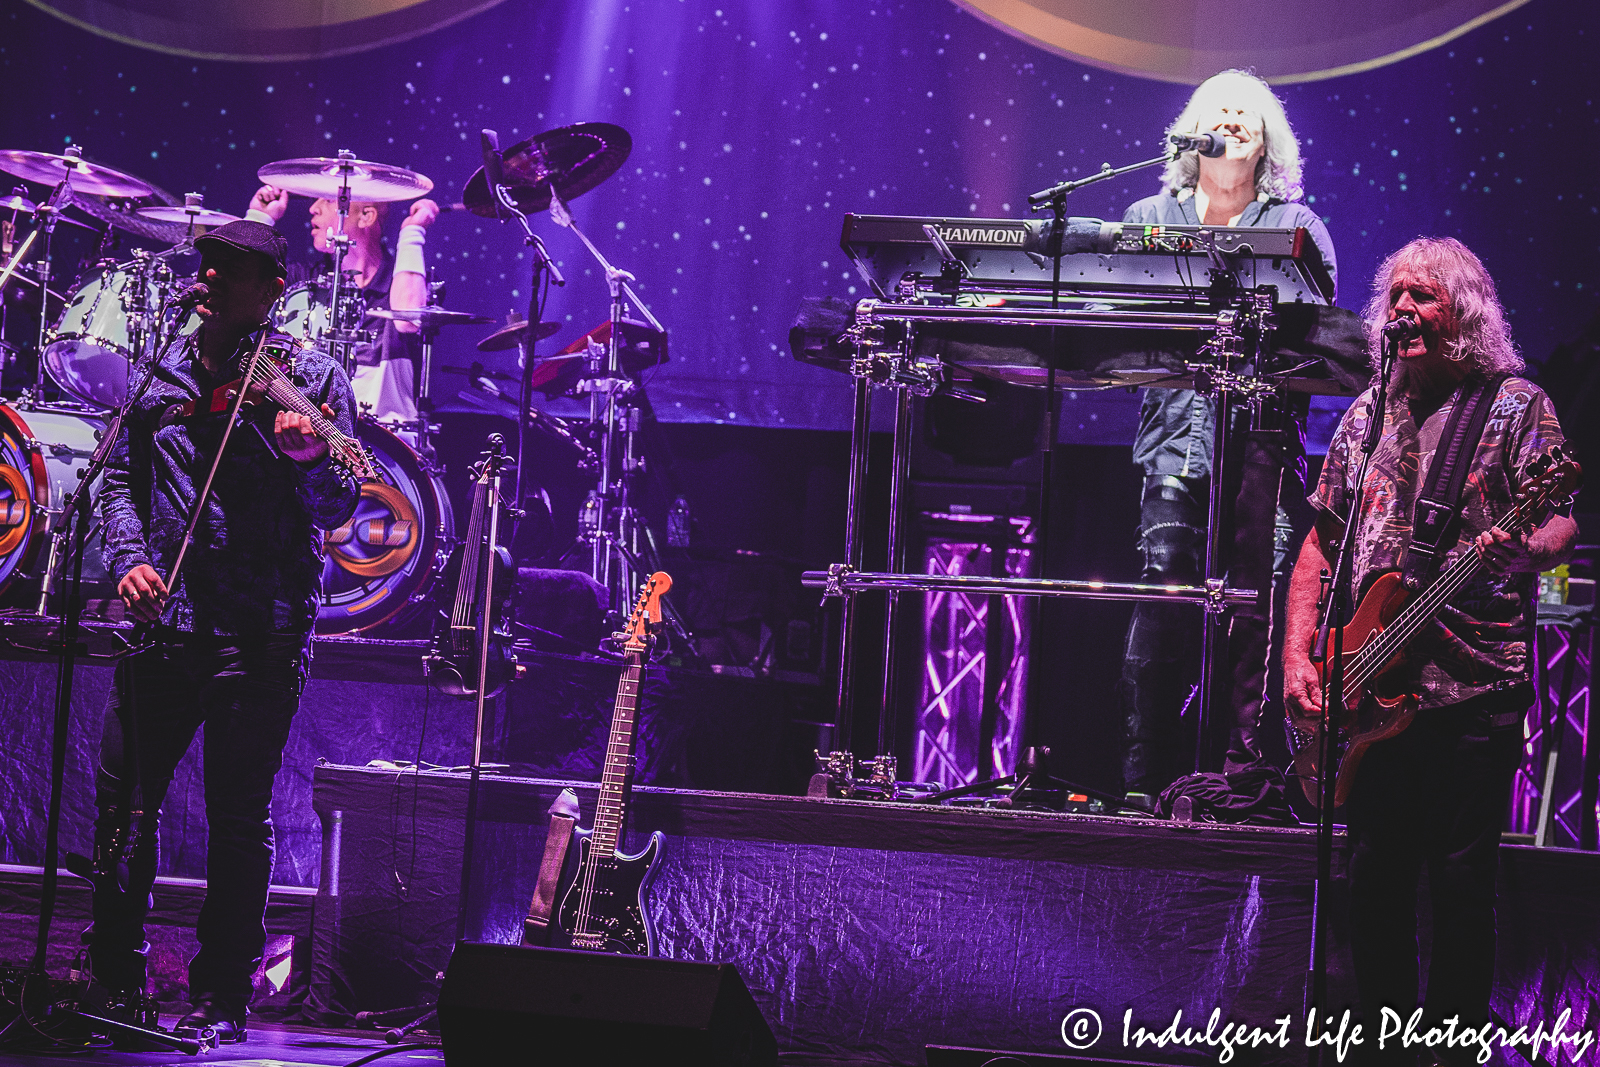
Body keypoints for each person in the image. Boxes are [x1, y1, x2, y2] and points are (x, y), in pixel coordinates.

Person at [1284, 237, 1575, 1058]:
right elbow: (1319, 541)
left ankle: (1449, 1049)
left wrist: (1530, 548)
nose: (1403, 308)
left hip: (1471, 688)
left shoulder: (1516, 407)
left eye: (1425, 296)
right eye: (1396, 294)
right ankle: (1378, 1045)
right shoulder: (1367, 412)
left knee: (1457, 884)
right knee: (1371, 880)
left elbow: (1561, 518)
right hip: (1368, 687)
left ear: (1465, 314)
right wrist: (1298, 657)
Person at [88, 220, 360, 1042]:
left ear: (271, 291)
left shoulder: (308, 377)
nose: (205, 277)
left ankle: (221, 993)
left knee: (237, 816)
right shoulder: (161, 364)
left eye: (228, 271)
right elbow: (117, 481)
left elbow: (346, 503)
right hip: (163, 624)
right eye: (205, 264)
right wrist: (128, 559)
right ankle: (112, 976)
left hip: (262, 631)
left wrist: (311, 460)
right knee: (123, 804)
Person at [1116, 68, 1338, 798]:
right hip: (1174, 442)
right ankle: (1146, 775)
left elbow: (1321, 337)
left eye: (1251, 111)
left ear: (1268, 137)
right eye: (1223, 109)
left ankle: (1245, 775)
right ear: (1195, 132)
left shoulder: (1299, 229)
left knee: (1255, 607)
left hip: (1263, 447)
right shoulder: (1149, 212)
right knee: (1164, 596)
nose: (1236, 118)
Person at [245, 184, 438, 427]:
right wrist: (259, 219)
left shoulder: (402, 280)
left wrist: (412, 232)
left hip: (388, 444)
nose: (313, 209)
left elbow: (408, 318)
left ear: (366, 216)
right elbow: (242, 294)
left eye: (326, 200)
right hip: (306, 437)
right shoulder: (303, 280)